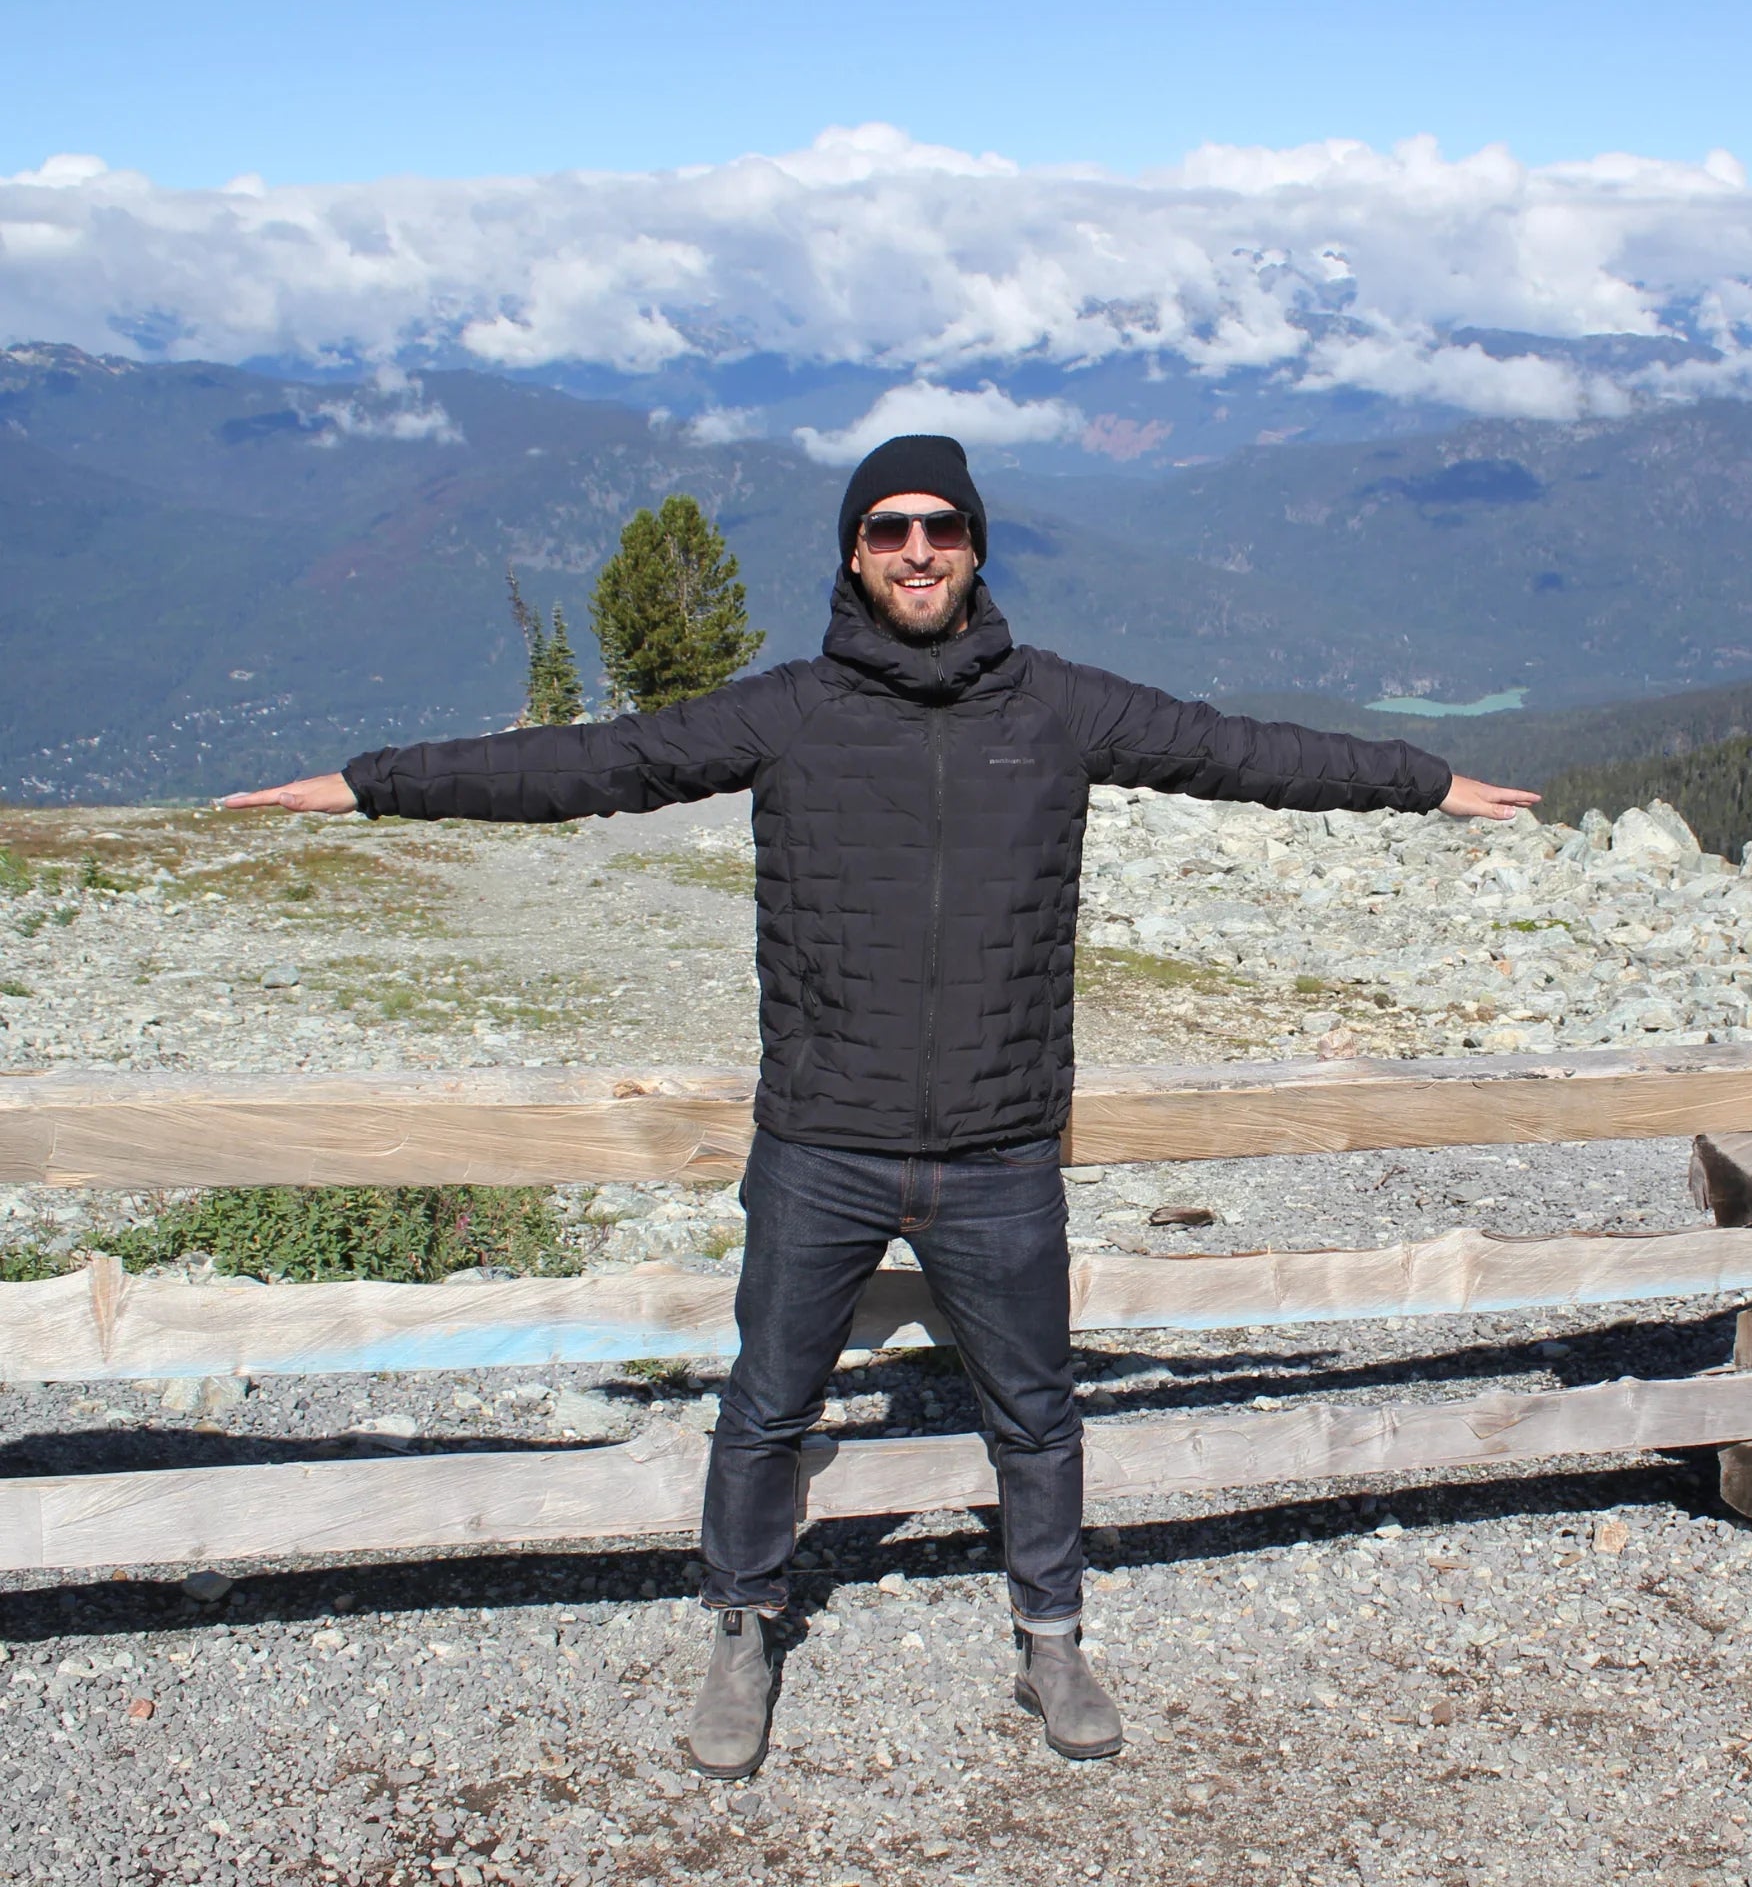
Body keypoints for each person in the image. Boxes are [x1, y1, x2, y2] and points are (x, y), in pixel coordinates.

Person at [224, 432, 1538, 1779]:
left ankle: (1054, 1634)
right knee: (769, 1406)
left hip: (999, 1144)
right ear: (855, 554)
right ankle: (741, 1630)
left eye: (943, 529)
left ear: (974, 549)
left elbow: (1240, 750)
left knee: (1034, 1410)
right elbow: (587, 765)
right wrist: (373, 782)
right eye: (891, 529)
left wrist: (1421, 781)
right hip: (821, 1141)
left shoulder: (1057, 707)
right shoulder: (788, 711)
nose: (919, 549)